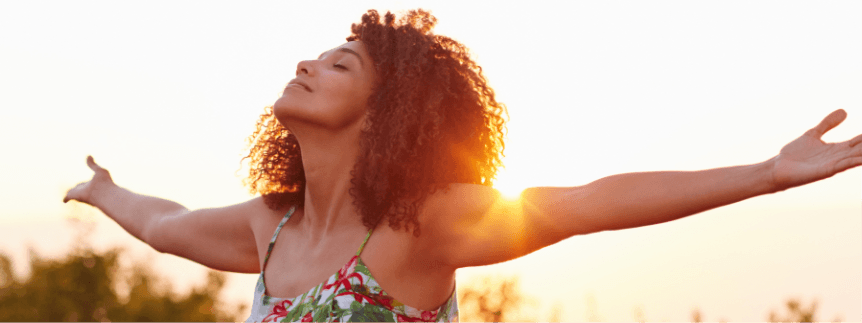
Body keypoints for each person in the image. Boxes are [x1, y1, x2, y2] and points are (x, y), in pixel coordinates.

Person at [63, 9, 862, 323]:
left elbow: (582, 203)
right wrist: (103, 191)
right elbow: (164, 226)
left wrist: (765, 171)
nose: (308, 62)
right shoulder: (267, 229)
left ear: (389, 113)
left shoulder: (421, 225)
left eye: (342, 64)